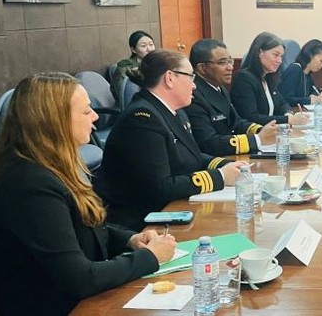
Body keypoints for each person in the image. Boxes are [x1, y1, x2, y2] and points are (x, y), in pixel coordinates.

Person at [0, 73, 175, 315]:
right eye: (85, 111)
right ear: (55, 121)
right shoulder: (29, 184)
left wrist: (129, 240)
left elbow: (80, 228)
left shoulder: (54, 167)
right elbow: (81, 278)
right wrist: (150, 257)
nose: (95, 117)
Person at [97, 50, 246, 231]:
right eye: (190, 77)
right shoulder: (142, 118)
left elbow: (191, 156)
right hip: (143, 223)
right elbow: (161, 187)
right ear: (169, 78)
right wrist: (221, 177)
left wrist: (225, 165)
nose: (194, 86)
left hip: (172, 208)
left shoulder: (173, 111)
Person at [185, 39, 277, 156]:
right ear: (203, 68)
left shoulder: (220, 88)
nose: (230, 67)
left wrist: (263, 131)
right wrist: (257, 140)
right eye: (223, 63)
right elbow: (208, 143)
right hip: (216, 160)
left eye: (230, 61)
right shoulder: (194, 95)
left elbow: (236, 122)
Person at [230, 32, 310, 126]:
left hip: (271, 132)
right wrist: (287, 119)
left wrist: (288, 114)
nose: (279, 61)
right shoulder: (244, 79)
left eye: (281, 56)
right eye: (275, 55)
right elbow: (251, 117)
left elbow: (282, 103)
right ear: (260, 53)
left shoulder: (268, 77)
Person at [278, 39, 322, 106]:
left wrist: (313, 95)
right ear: (310, 55)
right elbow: (286, 99)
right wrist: (308, 100)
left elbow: (314, 89)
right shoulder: (295, 69)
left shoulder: (307, 72)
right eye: (321, 61)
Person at [111, 30, 156, 101]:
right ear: (133, 50)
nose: (149, 49)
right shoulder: (125, 67)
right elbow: (123, 92)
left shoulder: (158, 63)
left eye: (151, 44)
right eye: (143, 46)